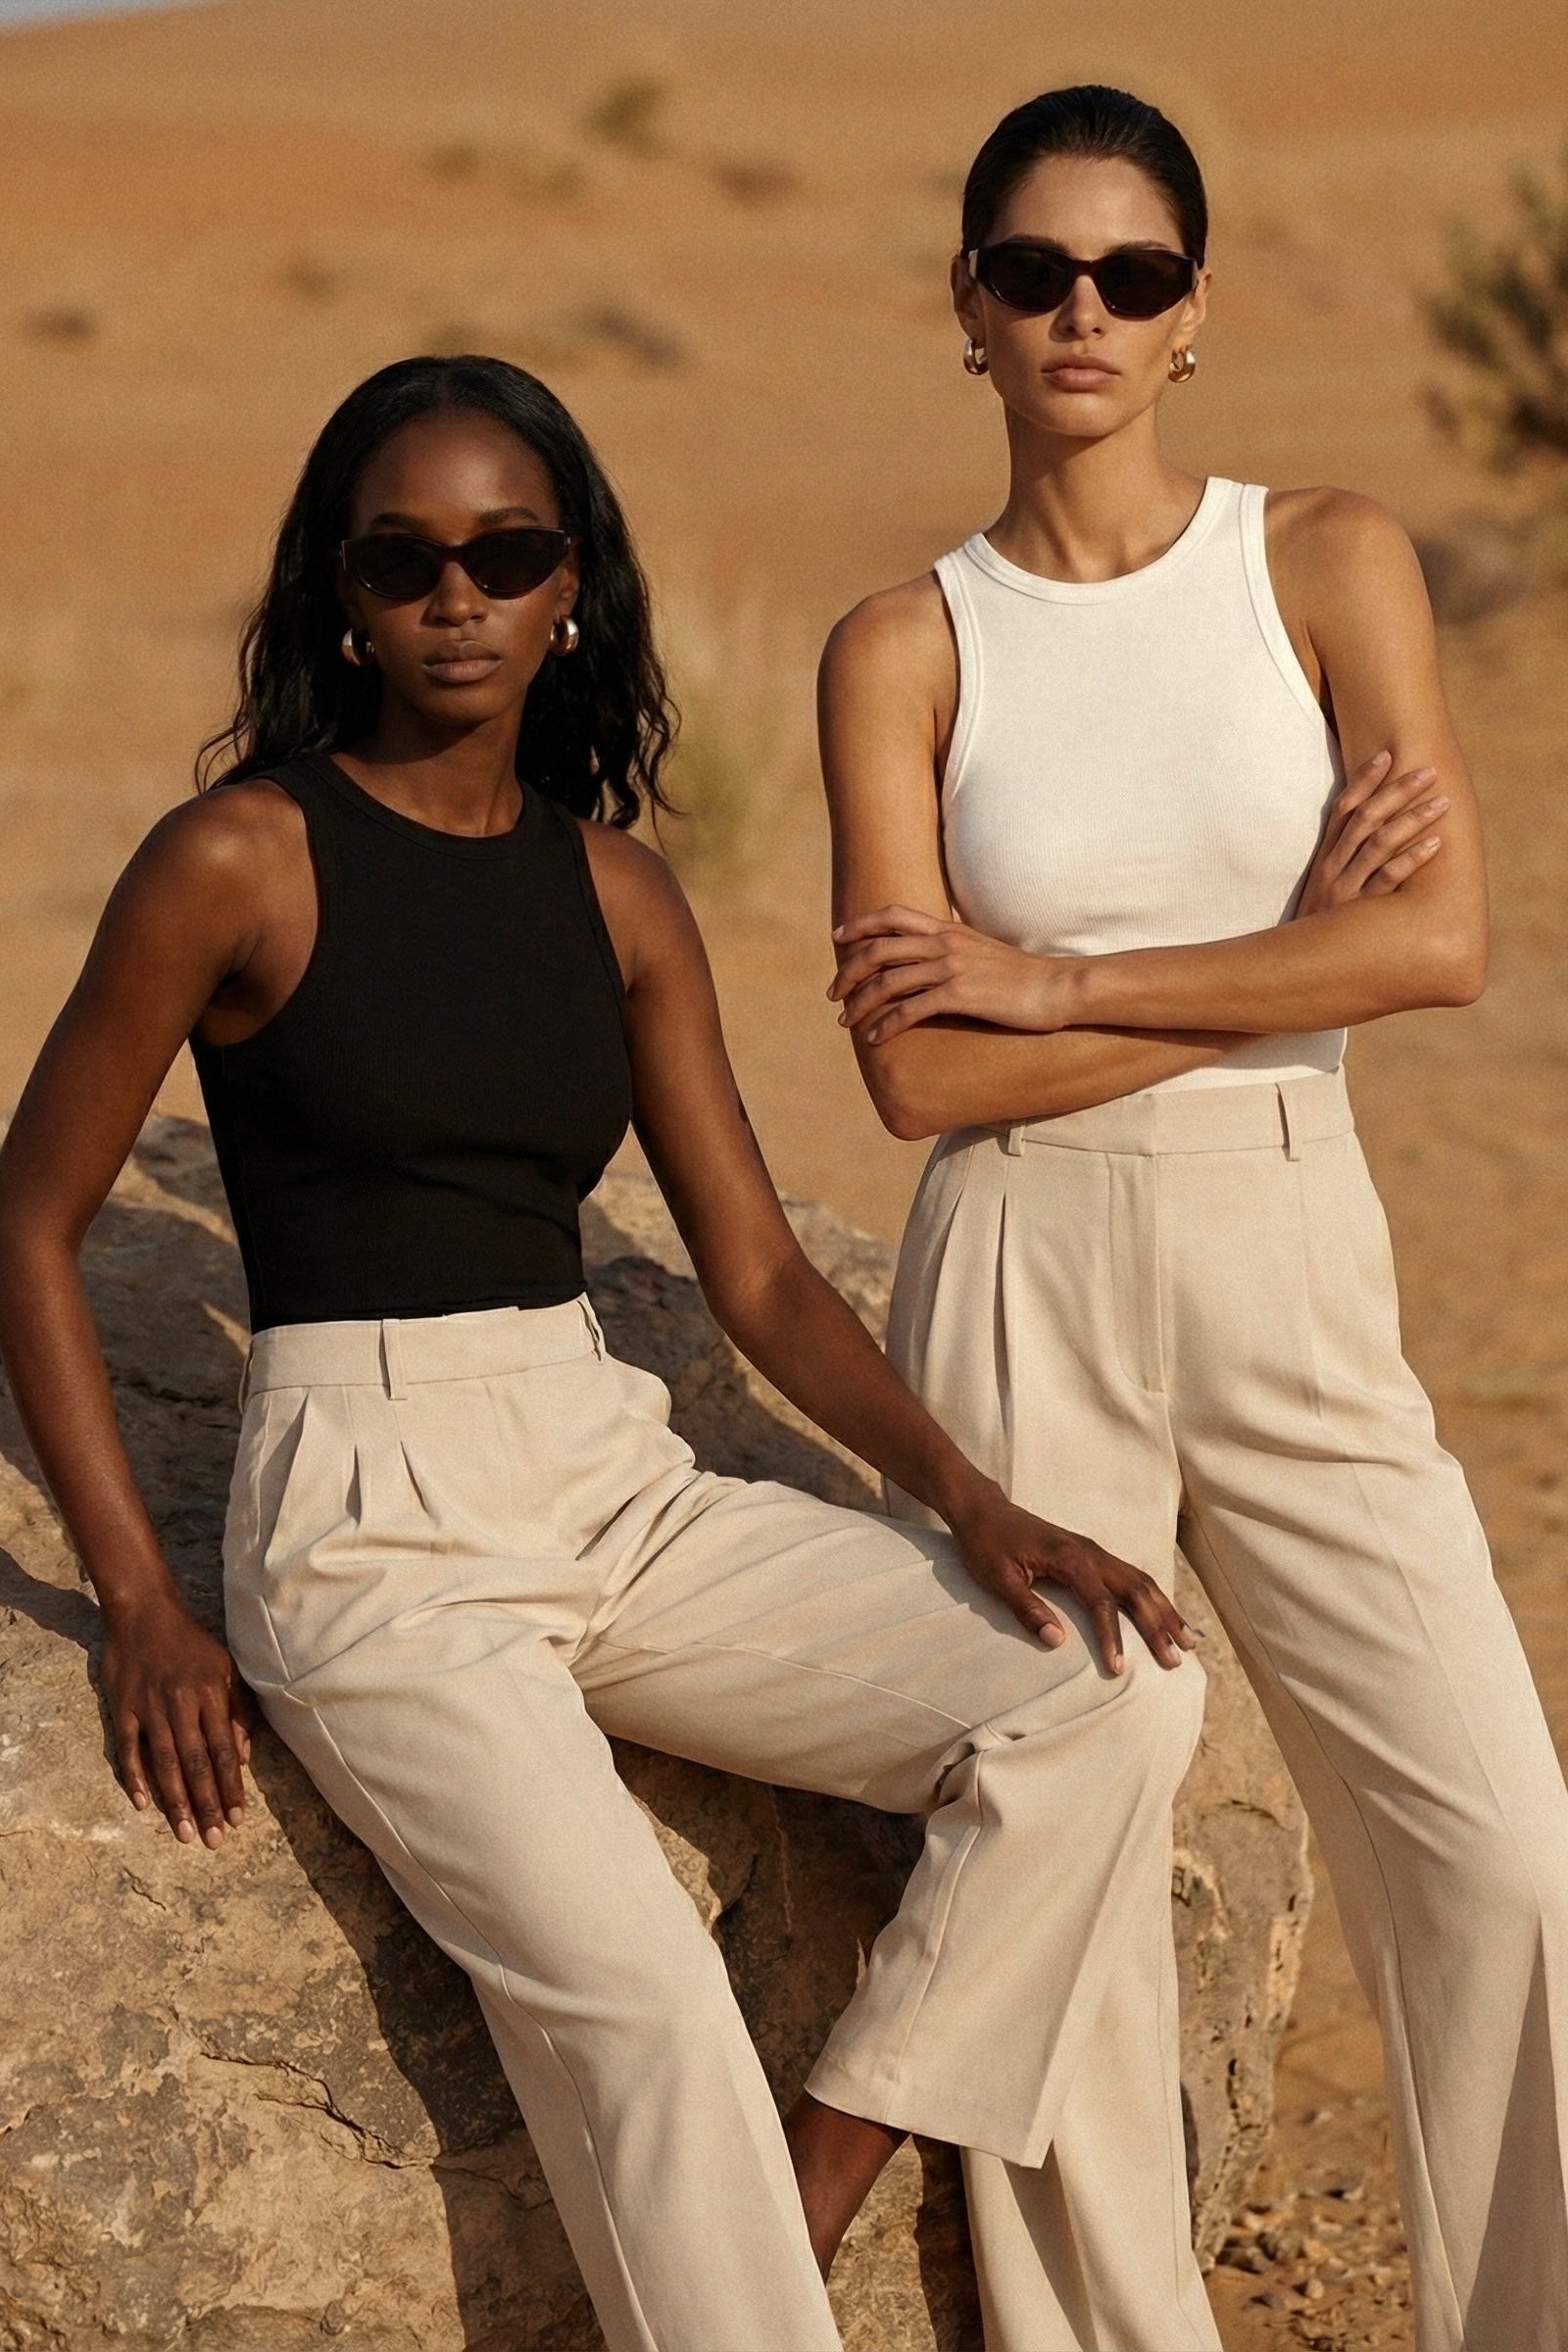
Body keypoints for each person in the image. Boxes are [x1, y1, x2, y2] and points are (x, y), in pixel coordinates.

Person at [0, 354, 1224, 2352]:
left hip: (610, 1477)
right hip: (373, 1541)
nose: (456, 597)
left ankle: (817, 2164)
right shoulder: (239, 858)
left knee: (1103, 1702)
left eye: (507, 552)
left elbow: (751, 1271)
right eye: (405, 560)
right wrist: (141, 1594)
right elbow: (30, 1219)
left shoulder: (614, 892)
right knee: (645, 1996)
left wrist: (981, 1506)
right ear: (343, 591)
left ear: (574, 586)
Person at [820, 81, 1568, 2352]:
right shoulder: (901, 646)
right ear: (965, 311)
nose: (1079, 311)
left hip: (1287, 1246)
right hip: (1017, 1261)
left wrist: (1063, 977)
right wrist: (1260, 969)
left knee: (1496, 1845)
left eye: (1127, 275)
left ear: (1189, 315)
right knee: (1072, 1888)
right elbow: (915, 1073)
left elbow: (1433, 947)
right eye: (1032, 272)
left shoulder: (1319, 559)